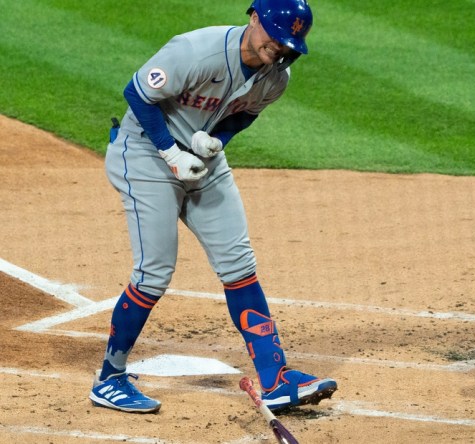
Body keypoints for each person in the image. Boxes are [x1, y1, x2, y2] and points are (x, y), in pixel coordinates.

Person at [89, 0, 337, 414]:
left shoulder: (276, 78)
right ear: (254, 17)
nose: (279, 49)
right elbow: (137, 92)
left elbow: (244, 115)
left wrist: (213, 140)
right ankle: (110, 378)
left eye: (288, 45)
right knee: (155, 271)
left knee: (239, 263)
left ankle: (275, 379)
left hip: (203, 162)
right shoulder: (196, 50)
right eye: (275, 38)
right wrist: (171, 152)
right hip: (144, 154)